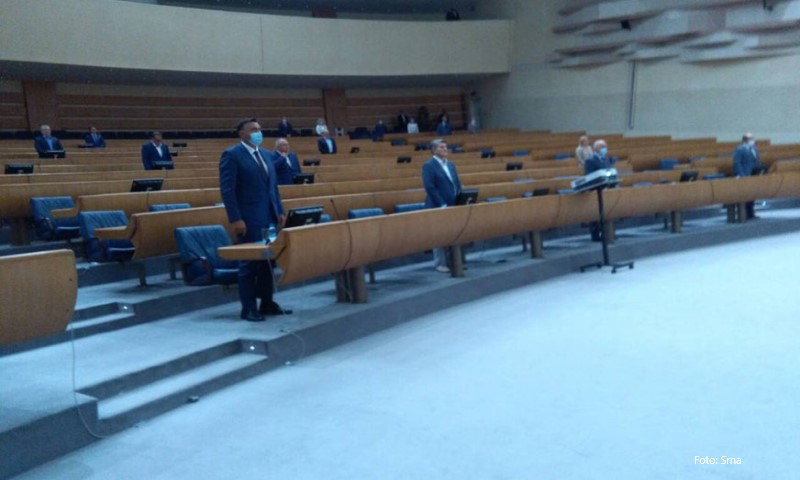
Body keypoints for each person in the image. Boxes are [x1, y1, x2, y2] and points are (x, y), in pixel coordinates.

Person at [219, 118, 290, 321]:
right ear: (242, 134)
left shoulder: (266, 154)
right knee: (249, 264)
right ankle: (248, 307)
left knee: (268, 260)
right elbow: (228, 190)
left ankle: (266, 302)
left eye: (259, 129)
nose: (258, 132)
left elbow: (273, 187)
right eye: (253, 129)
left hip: (269, 217)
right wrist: (235, 218)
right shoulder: (232, 155)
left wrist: (280, 211)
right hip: (248, 219)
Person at [422, 139, 462, 273]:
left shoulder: (450, 164)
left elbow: (457, 183)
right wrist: (442, 204)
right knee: (439, 236)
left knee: (453, 234)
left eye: (446, 147)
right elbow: (430, 187)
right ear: (434, 150)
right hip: (437, 205)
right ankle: (440, 263)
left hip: (452, 204)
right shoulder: (428, 165)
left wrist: (460, 199)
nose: (445, 149)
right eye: (441, 147)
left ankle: (454, 262)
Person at [583, 139, 617, 241]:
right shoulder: (590, 160)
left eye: (605, 146)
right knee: (596, 213)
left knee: (608, 211)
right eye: (602, 147)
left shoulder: (606, 159)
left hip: (606, 189)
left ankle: (608, 233)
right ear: (596, 148)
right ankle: (596, 235)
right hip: (596, 191)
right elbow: (589, 176)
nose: (604, 149)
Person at [733, 132, 762, 219]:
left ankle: (751, 213)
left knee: (752, 195)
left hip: (754, 174)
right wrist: (741, 175)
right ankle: (745, 213)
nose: (753, 140)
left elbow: (757, 161)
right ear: (745, 140)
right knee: (745, 195)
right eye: (751, 139)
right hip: (745, 174)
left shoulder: (754, 149)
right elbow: (737, 163)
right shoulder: (739, 149)